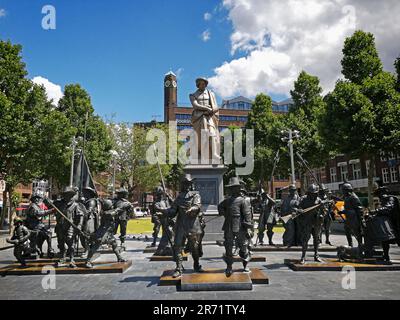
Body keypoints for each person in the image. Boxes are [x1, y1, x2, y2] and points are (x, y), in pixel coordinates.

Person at [156, 174, 204, 278]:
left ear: (191, 184)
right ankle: (179, 267)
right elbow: (173, 211)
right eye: (184, 183)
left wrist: (192, 209)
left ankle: (196, 264)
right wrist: (163, 212)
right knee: (177, 247)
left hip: (192, 225)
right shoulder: (179, 197)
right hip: (181, 225)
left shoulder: (195, 195)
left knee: (194, 247)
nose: (186, 185)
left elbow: (197, 205)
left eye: (188, 183)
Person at [218, 177, 254, 276]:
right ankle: (229, 266)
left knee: (243, 246)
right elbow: (220, 206)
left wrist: (248, 227)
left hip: (240, 226)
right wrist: (224, 213)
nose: (233, 190)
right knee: (228, 247)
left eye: (235, 188)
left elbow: (247, 215)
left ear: (239, 188)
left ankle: (245, 265)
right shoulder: (227, 200)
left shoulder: (243, 201)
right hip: (228, 225)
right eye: (231, 188)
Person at [85, 199, 127, 268]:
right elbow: (115, 212)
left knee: (114, 244)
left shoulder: (109, 212)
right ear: (109, 206)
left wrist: (124, 208)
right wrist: (122, 207)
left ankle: (119, 257)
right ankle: (87, 261)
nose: (112, 206)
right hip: (102, 233)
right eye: (111, 205)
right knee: (95, 247)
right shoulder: (106, 213)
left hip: (108, 233)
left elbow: (118, 213)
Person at [366, 185, 400, 263]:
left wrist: (377, 210)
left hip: (395, 222)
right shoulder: (383, 200)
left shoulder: (390, 198)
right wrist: (374, 214)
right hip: (388, 223)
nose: (380, 197)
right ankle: (386, 256)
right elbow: (383, 212)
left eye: (379, 195)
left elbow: (389, 207)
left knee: (398, 239)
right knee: (385, 240)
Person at [189, 77, 220, 163]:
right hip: (198, 119)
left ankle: (214, 154)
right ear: (197, 85)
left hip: (209, 117)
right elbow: (195, 106)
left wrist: (211, 110)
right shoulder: (192, 95)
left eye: (204, 84)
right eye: (200, 84)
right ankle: (200, 155)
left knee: (212, 134)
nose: (202, 85)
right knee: (200, 137)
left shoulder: (211, 94)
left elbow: (216, 107)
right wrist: (207, 108)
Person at [55, 186, 86, 268]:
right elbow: (50, 205)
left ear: (70, 195)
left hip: (70, 226)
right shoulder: (59, 204)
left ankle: (72, 259)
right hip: (60, 226)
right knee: (60, 242)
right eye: (64, 195)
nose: (65, 196)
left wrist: (79, 225)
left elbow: (81, 215)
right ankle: (62, 257)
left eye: (67, 194)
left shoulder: (75, 205)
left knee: (70, 242)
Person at [296, 184, 324, 264]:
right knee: (305, 240)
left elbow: (323, 211)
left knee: (316, 239)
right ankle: (303, 257)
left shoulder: (319, 200)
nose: (313, 195)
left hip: (316, 223)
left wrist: (322, 212)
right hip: (307, 222)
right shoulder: (303, 199)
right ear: (309, 193)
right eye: (312, 193)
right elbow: (296, 207)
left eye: (315, 193)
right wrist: (299, 210)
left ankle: (316, 255)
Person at [25, 192, 55, 258]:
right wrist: (50, 211)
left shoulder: (37, 206)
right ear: (33, 199)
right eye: (36, 198)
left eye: (39, 198)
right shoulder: (32, 206)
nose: (38, 200)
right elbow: (39, 213)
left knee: (49, 232)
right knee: (46, 233)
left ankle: (49, 249)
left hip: (39, 225)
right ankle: (44, 250)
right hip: (33, 226)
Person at [340, 183, 364, 251]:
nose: (342, 192)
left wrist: (360, 219)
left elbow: (359, 208)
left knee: (357, 233)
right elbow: (348, 208)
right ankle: (350, 245)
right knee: (347, 230)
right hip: (349, 218)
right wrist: (342, 212)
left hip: (354, 218)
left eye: (343, 191)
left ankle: (360, 246)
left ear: (347, 190)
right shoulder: (347, 197)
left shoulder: (354, 197)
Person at [151, 186, 174, 256]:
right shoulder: (156, 203)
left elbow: (173, 204)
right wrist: (166, 210)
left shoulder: (166, 201)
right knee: (159, 230)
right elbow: (157, 210)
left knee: (168, 233)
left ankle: (167, 247)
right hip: (160, 219)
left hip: (167, 219)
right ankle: (157, 245)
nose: (160, 196)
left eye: (161, 194)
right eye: (159, 194)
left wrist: (169, 197)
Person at [81, 187, 100, 257]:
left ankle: (87, 251)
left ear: (89, 193)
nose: (83, 193)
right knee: (83, 235)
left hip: (89, 219)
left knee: (87, 234)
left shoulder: (92, 201)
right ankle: (87, 249)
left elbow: (89, 210)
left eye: (85, 192)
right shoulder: (86, 201)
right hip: (84, 219)